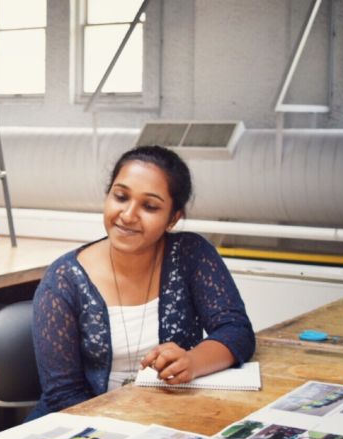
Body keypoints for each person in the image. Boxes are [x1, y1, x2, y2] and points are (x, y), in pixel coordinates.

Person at [30, 145, 255, 418]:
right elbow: (63, 396)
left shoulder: (191, 254)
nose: (128, 215)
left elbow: (235, 330)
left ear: (172, 218)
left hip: (167, 419)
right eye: (121, 197)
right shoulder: (64, 280)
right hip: (85, 429)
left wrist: (193, 361)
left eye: (149, 206)